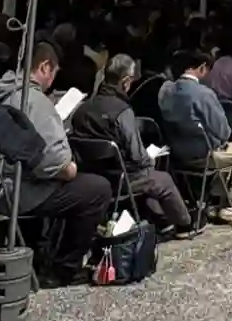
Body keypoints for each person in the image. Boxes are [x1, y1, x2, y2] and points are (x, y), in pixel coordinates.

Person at [0, 39, 115, 281]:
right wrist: (70, 168)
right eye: (54, 73)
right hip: (18, 191)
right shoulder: (34, 101)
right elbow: (55, 163)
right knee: (97, 189)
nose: (52, 81)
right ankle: (64, 269)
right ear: (44, 67)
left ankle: (41, 250)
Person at [71, 53, 191, 234]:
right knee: (162, 179)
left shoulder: (83, 108)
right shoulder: (122, 111)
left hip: (92, 176)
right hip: (121, 179)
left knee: (150, 178)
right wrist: (151, 159)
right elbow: (137, 157)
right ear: (126, 81)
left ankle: (162, 221)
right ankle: (185, 225)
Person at [158, 47, 232, 222]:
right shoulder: (203, 93)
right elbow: (223, 132)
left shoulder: (165, 90)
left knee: (227, 154)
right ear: (202, 67)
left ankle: (217, 201)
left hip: (175, 154)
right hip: (203, 155)